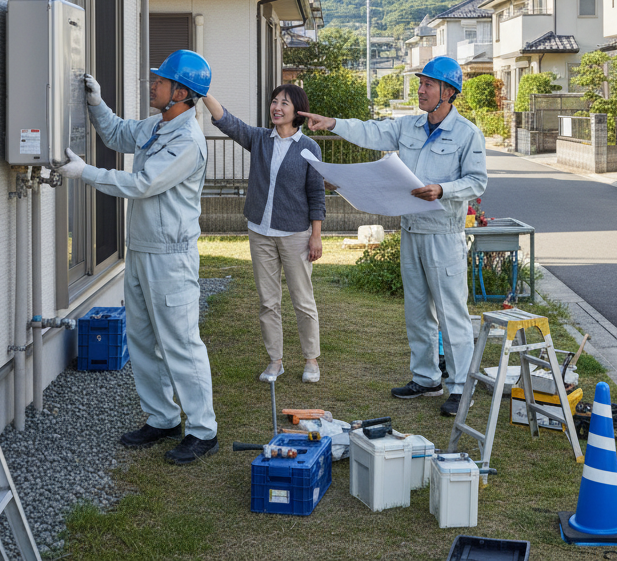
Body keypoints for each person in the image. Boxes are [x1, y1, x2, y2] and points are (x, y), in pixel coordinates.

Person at [55, 50, 218, 464]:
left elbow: (142, 183)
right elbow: (118, 134)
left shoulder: (186, 140)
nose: (153, 85)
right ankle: (162, 418)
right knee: (143, 340)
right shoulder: (159, 125)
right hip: (143, 250)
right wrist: (95, 102)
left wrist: (85, 173)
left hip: (170, 257)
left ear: (181, 93)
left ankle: (203, 430)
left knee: (180, 343)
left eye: (160, 82)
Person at [300, 56, 487, 417]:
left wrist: (442, 190)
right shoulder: (409, 126)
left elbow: (477, 181)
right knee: (417, 310)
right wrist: (335, 123)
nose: (420, 89)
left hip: (444, 234)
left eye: (428, 85)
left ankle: (461, 386)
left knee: (451, 313)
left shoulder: (467, 134)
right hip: (412, 229)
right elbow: (372, 131)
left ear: (448, 92)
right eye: (420, 83)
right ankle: (426, 378)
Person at [204, 84, 326, 383]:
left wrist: (316, 235)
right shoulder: (259, 139)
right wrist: (204, 91)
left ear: (297, 110)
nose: (277, 107)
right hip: (260, 231)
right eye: (274, 102)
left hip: (296, 234)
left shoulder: (309, 146)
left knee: (303, 300)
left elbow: (316, 194)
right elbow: (228, 122)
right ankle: (276, 361)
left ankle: (311, 360)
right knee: (268, 302)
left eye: (284, 103)